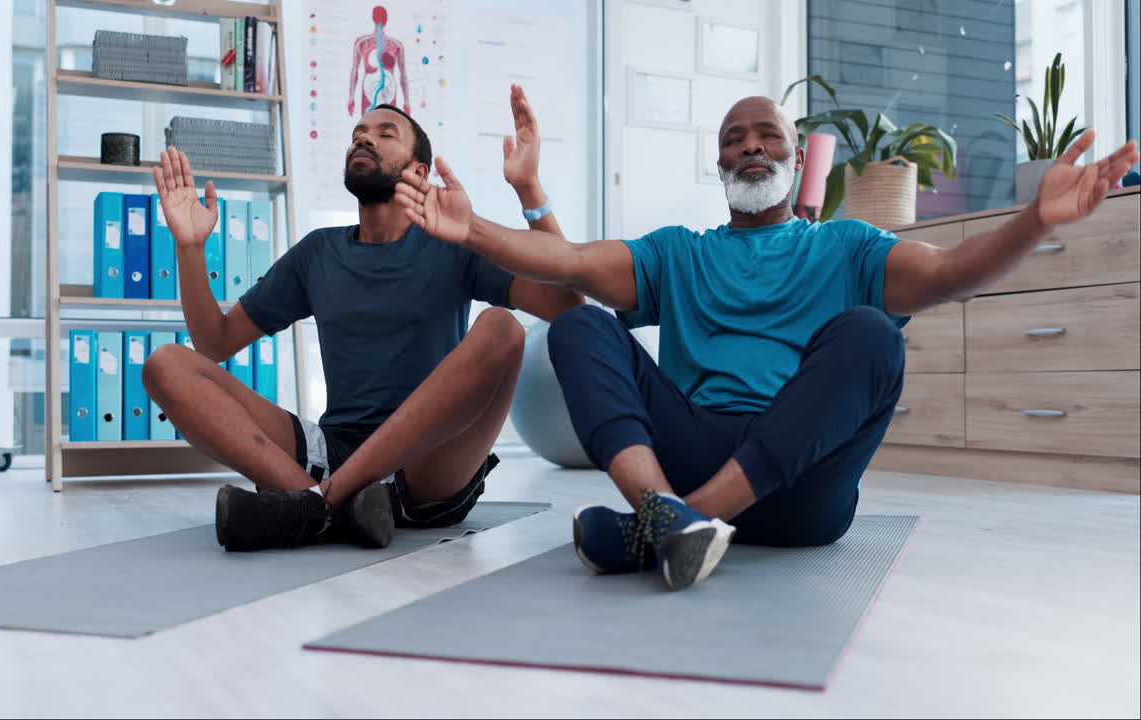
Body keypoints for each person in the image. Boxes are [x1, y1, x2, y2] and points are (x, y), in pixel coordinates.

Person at [395, 91, 1140, 590]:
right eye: (733, 140)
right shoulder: (679, 252)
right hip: (690, 446)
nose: (750, 148)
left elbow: (951, 273)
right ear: (719, 164)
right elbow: (574, 265)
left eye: (767, 137)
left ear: (791, 157)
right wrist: (481, 226)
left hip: (801, 490)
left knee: (871, 336)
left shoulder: (848, 245)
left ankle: (678, 523)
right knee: (580, 325)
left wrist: (1035, 220)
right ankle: (665, 515)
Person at [143, 92, 582, 552]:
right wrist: (190, 247)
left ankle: (314, 505)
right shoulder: (318, 254)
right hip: (333, 448)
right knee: (166, 365)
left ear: (419, 172)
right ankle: (333, 507)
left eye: (383, 134)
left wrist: (529, 189)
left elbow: (569, 307)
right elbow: (214, 343)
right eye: (358, 136)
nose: (363, 140)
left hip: (427, 465)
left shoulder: (456, 239)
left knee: (502, 328)